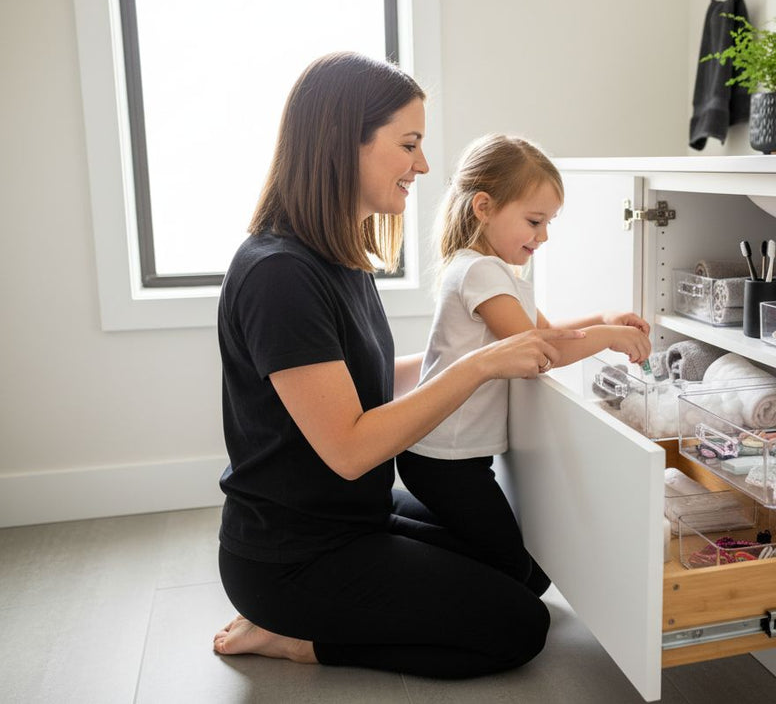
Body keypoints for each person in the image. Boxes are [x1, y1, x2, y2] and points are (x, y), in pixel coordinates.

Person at [212, 52, 588, 678]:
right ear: (342, 143)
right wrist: (481, 365)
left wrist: (468, 356)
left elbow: (363, 385)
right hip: (292, 556)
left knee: (530, 562)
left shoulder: (337, 258)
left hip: (354, 516)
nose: (424, 165)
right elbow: (351, 449)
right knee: (519, 625)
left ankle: (322, 618)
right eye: (409, 144)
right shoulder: (280, 274)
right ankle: (295, 637)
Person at [396, 134, 650, 594]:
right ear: (484, 207)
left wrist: (602, 318)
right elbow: (543, 351)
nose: (544, 235)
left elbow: (545, 331)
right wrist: (608, 337)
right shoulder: (480, 272)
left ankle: (401, 532)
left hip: (457, 456)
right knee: (520, 578)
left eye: (549, 222)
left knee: (531, 568)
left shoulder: (493, 271)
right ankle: (389, 542)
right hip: (443, 458)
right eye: (535, 221)